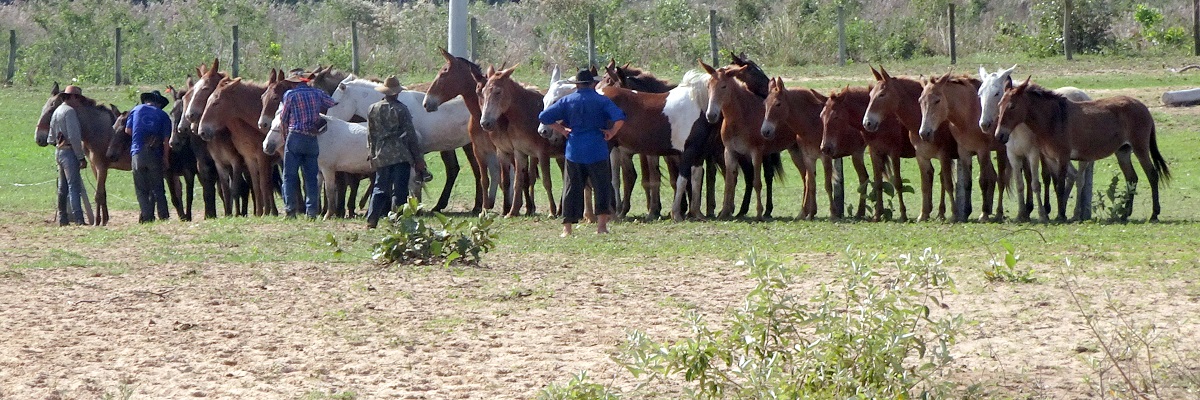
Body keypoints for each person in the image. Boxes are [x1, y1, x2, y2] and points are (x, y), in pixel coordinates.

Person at [537, 69, 625, 236]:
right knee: (601, 187)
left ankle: (567, 229)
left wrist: (562, 130)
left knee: (571, 188)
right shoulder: (602, 101)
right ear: (593, 84)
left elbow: (544, 116)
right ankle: (601, 227)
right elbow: (620, 117)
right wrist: (612, 132)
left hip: (574, 150)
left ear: (576, 85)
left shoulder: (567, 101)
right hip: (597, 149)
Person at [365, 76, 427, 229]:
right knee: (400, 190)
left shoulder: (373, 108)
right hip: (400, 155)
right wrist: (418, 158)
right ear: (397, 92)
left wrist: (372, 153)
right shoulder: (401, 109)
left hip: (381, 154)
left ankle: (371, 220)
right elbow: (411, 135)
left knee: (379, 188)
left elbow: (370, 134)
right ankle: (399, 221)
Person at [278, 68, 335, 219]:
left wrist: (285, 137)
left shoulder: (290, 95)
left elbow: (283, 119)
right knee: (311, 177)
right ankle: (312, 212)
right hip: (311, 138)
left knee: (289, 176)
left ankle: (290, 210)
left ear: (294, 83)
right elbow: (331, 102)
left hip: (295, 136)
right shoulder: (316, 93)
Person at [125, 90, 173, 223]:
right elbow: (166, 140)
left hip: (137, 153)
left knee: (141, 188)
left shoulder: (135, 110)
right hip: (154, 153)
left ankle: (147, 217)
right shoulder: (163, 115)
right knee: (158, 187)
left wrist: (138, 136)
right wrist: (165, 158)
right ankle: (163, 216)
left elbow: (128, 130)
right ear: (158, 103)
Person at [49, 85, 88, 226]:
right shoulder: (70, 112)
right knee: (73, 186)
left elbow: (51, 138)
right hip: (69, 153)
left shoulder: (57, 111)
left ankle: (62, 218)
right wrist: (80, 157)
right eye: (77, 97)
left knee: (63, 187)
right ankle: (79, 218)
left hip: (59, 152)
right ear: (71, 97)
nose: (78, 100)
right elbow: (74, 137)